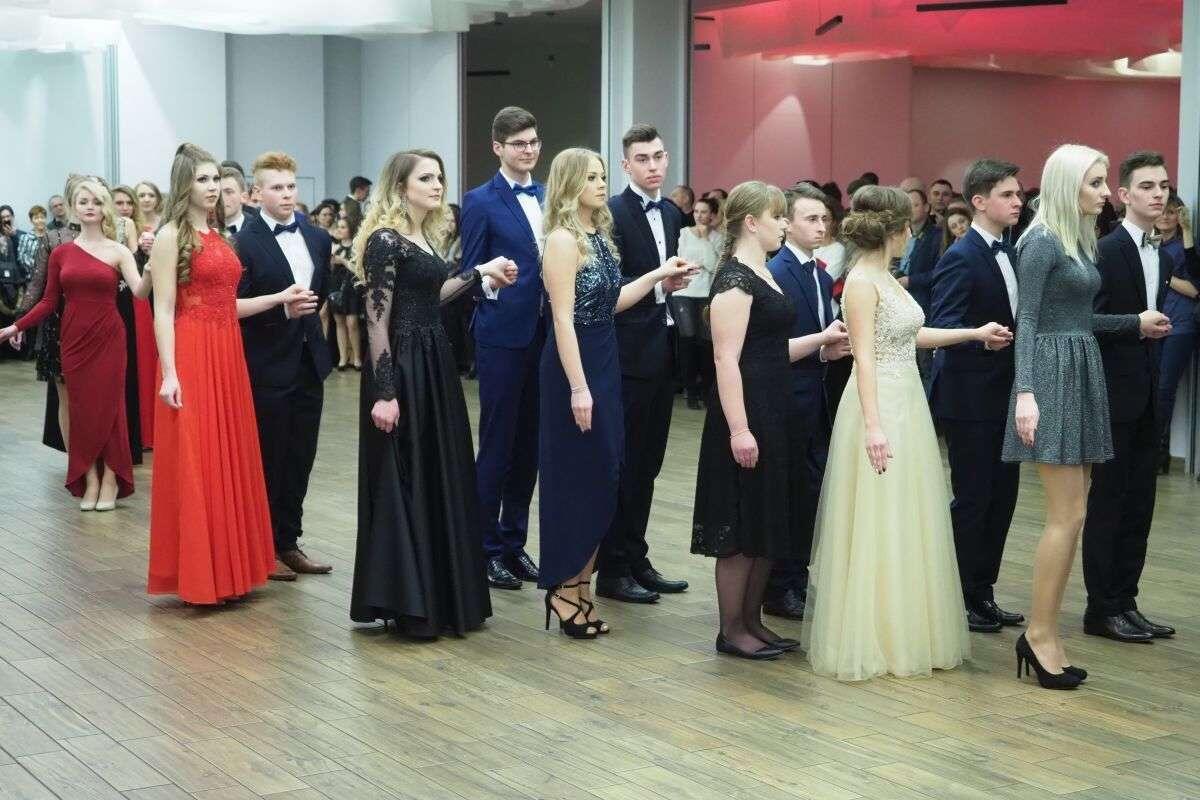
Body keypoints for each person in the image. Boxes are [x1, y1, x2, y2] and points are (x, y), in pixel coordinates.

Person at [803, 184, 1012, 681]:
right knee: (878, 516)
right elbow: (864, 356)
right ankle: (875, 634)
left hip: (908, 403)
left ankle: (908, 629)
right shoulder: (861, 282)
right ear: (896, 229)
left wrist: (973, 333)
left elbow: (909, 335)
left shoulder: (887, 277)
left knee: (908, 515)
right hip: (878, 405)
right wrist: (874, 427)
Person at [1002, 144, 1170, 688]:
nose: (1104, 192)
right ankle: (1039, 635)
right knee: (1065, 517)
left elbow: (1079, 319)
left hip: (1079, 370)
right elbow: (1028, 322)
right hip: (1051, 378)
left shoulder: (1076, 239)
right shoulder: (1040, 242)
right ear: (1067, 184)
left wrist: (1132, 323)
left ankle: (1046, 633)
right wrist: (1026, 392)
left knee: (1074, 515)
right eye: (1095, 183)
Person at [352, 149, 516, 637]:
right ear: (401, 186)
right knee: (407, 474)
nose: (437, 185)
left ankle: (440, 595)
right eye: (426, 178)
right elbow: (376, 319)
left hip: (433, 361)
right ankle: (410, 601)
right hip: (402, 365)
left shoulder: (423, 235)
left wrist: (479, 272)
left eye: (439, 177)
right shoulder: (384, 240)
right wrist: (385, 391)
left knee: (436, 469)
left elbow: (430, 296)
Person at [538, 148, 693, 639]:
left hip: (605, 357)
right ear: (569, 184)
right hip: (575, 365)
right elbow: (562, 319)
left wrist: (658, 275)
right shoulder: (562, 240)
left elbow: (613, 301)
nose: (601, 184)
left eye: (603, 175)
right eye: (591, 177)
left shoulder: (598, 237)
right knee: (578, 477)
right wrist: (578, 387)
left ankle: (581, 586)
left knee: (607, 475)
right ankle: (564, 588)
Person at [146, 143, 309, 605]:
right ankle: (201, 576)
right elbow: (163, 308)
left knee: (228, 457)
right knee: (199, 458)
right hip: (193, 352)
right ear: (184, 184)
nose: (213, 187)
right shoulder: (171, 236)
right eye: (202, 179)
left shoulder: (218, 236)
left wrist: (279, 299)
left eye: (216, 178)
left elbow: (226, 306)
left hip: (227, 351)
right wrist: (170, 372)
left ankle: (229, 572)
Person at [693, 181, 846, 660]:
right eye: (777, 216)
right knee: (741, 526)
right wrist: (740, 430)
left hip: (774, 408)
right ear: (750, 222)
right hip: (748, 411)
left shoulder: (762, 272)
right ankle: (730, 629)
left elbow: (770, 349)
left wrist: (820, 342)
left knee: (765, 520)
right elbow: (726, 360)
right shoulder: (735, 280)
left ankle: (752, 620)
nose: (783, 224)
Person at [1, 179, 152, 509]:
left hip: (109, 337)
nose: (89, 207)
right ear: (74, 207)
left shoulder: (118, 250)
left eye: (96, 202)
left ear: (104, 207)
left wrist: (150, 266)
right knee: (81, 412)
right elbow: (48, 301)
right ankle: (90, 480)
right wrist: (15, 325)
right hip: (72, 340)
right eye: (83, 201)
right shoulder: (60, 252)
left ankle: (111, 480)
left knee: (112, 409)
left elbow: (140, 292)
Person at [595, 123, 692, 604]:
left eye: (658, 157)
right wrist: (658, 282)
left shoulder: (672, 212)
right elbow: (610, 288)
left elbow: (657, 282)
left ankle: (636, 557)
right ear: (625, 165)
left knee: (649, 463)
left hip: (661, 346)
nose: (653, 166)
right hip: (628, 352)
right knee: (626, 462)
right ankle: (612, 569)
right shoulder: (612, 214)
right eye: (642, 159)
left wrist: (668, 285)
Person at [1083, 151, 1177, 644]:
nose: (1158, 194)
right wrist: (1135, 325)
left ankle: (1126, 600)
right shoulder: (1106, 249)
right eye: (1146, 186)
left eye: (1163, 185)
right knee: (1109, 503)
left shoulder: (1163, 252)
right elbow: (1083, 322)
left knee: (1141, 504)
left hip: (1147, 392)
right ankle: (1101, 608)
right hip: (1112, 395)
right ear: (1123, 195)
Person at [929, 159, 1025, 633]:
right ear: (980, 202)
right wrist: (979, 338)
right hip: (970, 398)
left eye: (1018, 194)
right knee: (973, 499)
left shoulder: (1012, 251)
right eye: (1008, 194)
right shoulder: (960, 256)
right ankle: (960, 596)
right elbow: (942, 324)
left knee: (1003, 499)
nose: (1018, 201)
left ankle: (983, 592)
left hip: (1007, 395)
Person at [236, 151, 335, 581]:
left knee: (301, 456)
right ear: (256, 193)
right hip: (266, 363)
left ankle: (288, 542)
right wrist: (281, 312)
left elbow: (320, 293)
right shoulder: (244, 241)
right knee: (268, 458)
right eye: (276, 187)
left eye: (291, 186)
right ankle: (261, 546)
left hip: (310, 361)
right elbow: (234, 307)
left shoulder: (317, 237)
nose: (287, 194)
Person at [460, 106, 546, 590]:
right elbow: (469, 273)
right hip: (501, 335)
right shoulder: (480, 200)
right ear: (498, 148)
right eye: (518, 144)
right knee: (497, 443)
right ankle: (485, 548)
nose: (528, 150)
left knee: (530, 445)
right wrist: (494, 282)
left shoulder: (549, 195)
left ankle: (514, 544)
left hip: (546, 334)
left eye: (533, 141)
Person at [761, 183, 851, 622]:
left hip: (814, 395)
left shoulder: (820, 273)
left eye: (824, 219)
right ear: (786, 222)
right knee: (790, 492)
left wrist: (826, 351)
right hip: (785, 398)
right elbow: (769, 346)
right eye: (810, 219)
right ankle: (780, 585)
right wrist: (820, 343)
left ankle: (796, 578)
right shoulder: (776, 272)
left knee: (809, 491)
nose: (821, 226)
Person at [1155, 194, 1200, 471]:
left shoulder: (1185, 246)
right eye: (1162, 211)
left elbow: (1195, 289)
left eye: (1171, 212)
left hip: (1180, 325)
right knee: (1151, 387)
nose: (1165, 216)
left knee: (1164, 389)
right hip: (1152, 325)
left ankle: (1159, 452)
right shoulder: (1149, 243)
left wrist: (1165, 276)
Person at [113, 184, 157, 451]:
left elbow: (137, 267)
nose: (125, 207)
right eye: (119, 203)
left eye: (129, 202)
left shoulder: (138, 228)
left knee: (142, 360)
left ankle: (145, 430)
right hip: (115, 300)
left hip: (137, 297)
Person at [673, 196, 721, 409]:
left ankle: (706, 391)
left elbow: (714, 265)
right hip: (683, 292)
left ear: (712, 215)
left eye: (704, 212)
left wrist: (704, 239)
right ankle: (690, 392)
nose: (699, 216)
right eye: (696, 211)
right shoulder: (683, 233)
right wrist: (698, 263)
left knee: (706, 343)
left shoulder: (718, 238)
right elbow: (682, 261)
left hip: (706, 293)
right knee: (687, 340)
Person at [898, 188, 942, 387]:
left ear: (926, 207)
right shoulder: (902, 234)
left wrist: (911, 281)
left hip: (924, 303)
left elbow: (940, 272)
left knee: (925, 363)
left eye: (915, 205)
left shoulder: (937, 235)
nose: (910, 209)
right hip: (901, 303)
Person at [328, 216, 362, 371]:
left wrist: (343, 261)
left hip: (352, 288)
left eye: (343, 227)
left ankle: (357, 357)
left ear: (350, 229)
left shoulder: (356, 247)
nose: (340, 230)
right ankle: (342, 358)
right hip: (336, 287)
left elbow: (358, 270)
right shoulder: (334, 247)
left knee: (352, 323)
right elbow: (329, 269)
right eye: (338, 227)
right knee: (339, 322)